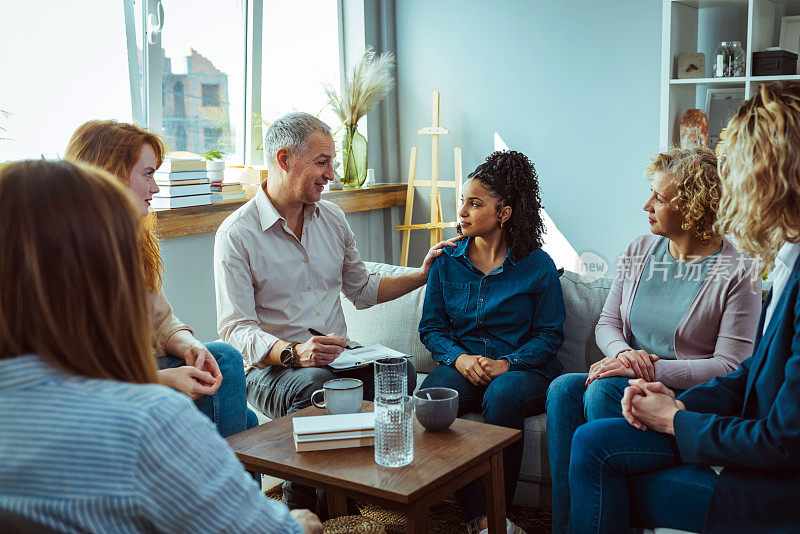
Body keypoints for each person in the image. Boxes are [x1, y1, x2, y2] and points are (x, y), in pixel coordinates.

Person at [0, 160, 320, 534]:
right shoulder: (145, 422)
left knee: (235, 392)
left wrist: (185, 345)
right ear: (101, 276)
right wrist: (298, 524)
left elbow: (164, 319)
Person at [568, 81, 800, 533]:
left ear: (768, 178)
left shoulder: (748, 269)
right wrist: (676, 402)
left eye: (736, 174)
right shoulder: (789, 261)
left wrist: (676, 417)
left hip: (766, 488)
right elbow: (750, 377)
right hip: (721, 428)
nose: (729, 194)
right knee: (578, 415)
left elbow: (783, 440)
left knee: (594, 450)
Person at [214, 111, 457, 512]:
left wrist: (422, 274)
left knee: (399, 372)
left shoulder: (332, 218)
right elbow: (235, 329)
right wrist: (292, 352)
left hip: (338, 357)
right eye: (322, 161)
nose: (332, 173)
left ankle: (367, 487)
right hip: (271, 368)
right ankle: (303, 507)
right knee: (317, 382)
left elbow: (361, 289)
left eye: (333, 161)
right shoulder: (237, 234)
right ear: (284, 158)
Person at [545, 146, 762, 532]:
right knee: (563, 389)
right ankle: (567, 526)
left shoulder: (738, 271)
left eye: (660, 198)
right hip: (627, 379)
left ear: (694, 207)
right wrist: (627, 356)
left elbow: (733, 366)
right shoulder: (640, 249)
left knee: (598, 391)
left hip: (684, 399)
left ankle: (614, 507)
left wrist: (654, 367)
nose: (647, 204)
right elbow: (606, 323)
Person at [65, 120, 258, 439]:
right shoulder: (66, 255)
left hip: (140, 367)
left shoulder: (131, 241)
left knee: (223, 358)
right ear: (111, 174)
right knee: (243, 417)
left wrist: (189, 346)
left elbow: (161, 321)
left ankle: (227, 482)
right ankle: (232, 485)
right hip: (110, 383)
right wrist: (162, 380)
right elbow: (79, 370)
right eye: (148, 174)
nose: (155, 188)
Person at [418, 150, 566, 534]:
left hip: (524, 369)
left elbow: (549, 335)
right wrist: (460, 359)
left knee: (501, 396)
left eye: (475, 203)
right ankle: (480, 519)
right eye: (463, 201)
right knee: (433, 394)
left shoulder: (538, 265)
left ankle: (498, 513)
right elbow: (432, 328)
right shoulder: (447, 261)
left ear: (504, 213)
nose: (462, 211)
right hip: (465, 363)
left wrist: (507, 364)